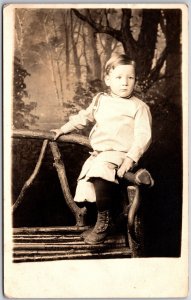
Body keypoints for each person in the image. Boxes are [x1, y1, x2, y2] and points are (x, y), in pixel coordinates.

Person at [51, 54, 152, 245]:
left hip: (122, 154)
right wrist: (63, 129)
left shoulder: (139, 107)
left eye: (130, 78)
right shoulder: (100, 100)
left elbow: (142, 136)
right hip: (101, 154)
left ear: (135, 80)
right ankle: (109, 220)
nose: (125, 83)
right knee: (90, 181)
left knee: (100, 170)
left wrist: (130, 158)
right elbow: (84, 118)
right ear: (108, 80)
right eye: (119, 77)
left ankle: (103, 224)